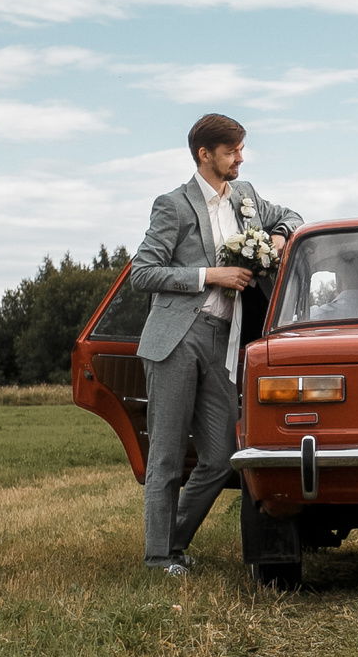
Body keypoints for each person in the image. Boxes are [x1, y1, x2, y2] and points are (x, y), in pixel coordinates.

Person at [128, 113, 303, 576]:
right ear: (206, 155)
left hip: (224, 340)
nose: (240, 158)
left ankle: (173, 543)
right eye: (232, 151)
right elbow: (141, 273)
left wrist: (279, 236)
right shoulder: (173, 205)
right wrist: (210, 275)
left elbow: (292, 216)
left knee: (224, 453)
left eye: (241, 149)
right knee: (166, 456)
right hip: (177, 338)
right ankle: (159, 558)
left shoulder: (246, 197)